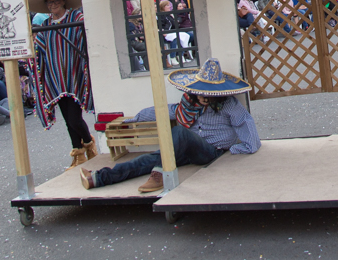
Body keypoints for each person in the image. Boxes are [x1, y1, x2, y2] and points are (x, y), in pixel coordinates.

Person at [80, 58, 260, 193]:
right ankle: (99, 178)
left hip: (211, 151)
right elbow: (163, 111)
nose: (205, 96)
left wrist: (233, 150)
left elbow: (248, 131)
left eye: (209, 92)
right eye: (201, 91)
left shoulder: (229, 104)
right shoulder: (188, 104)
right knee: (149, 159)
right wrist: (133, 119)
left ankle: (159, 174)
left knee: (179, 132)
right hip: (186, 150)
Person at [29, 0, 96, 170]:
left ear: (64, 1)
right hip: (55, 77)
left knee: (75, 118)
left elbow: (86, 39)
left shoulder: (76, 18)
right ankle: (78, 153)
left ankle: (89, 144)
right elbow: (40, 50)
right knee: (67, 120)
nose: (53, 5)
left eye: (56, 1)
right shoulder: (45, 26)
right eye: (49, 2)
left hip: (74, 75)